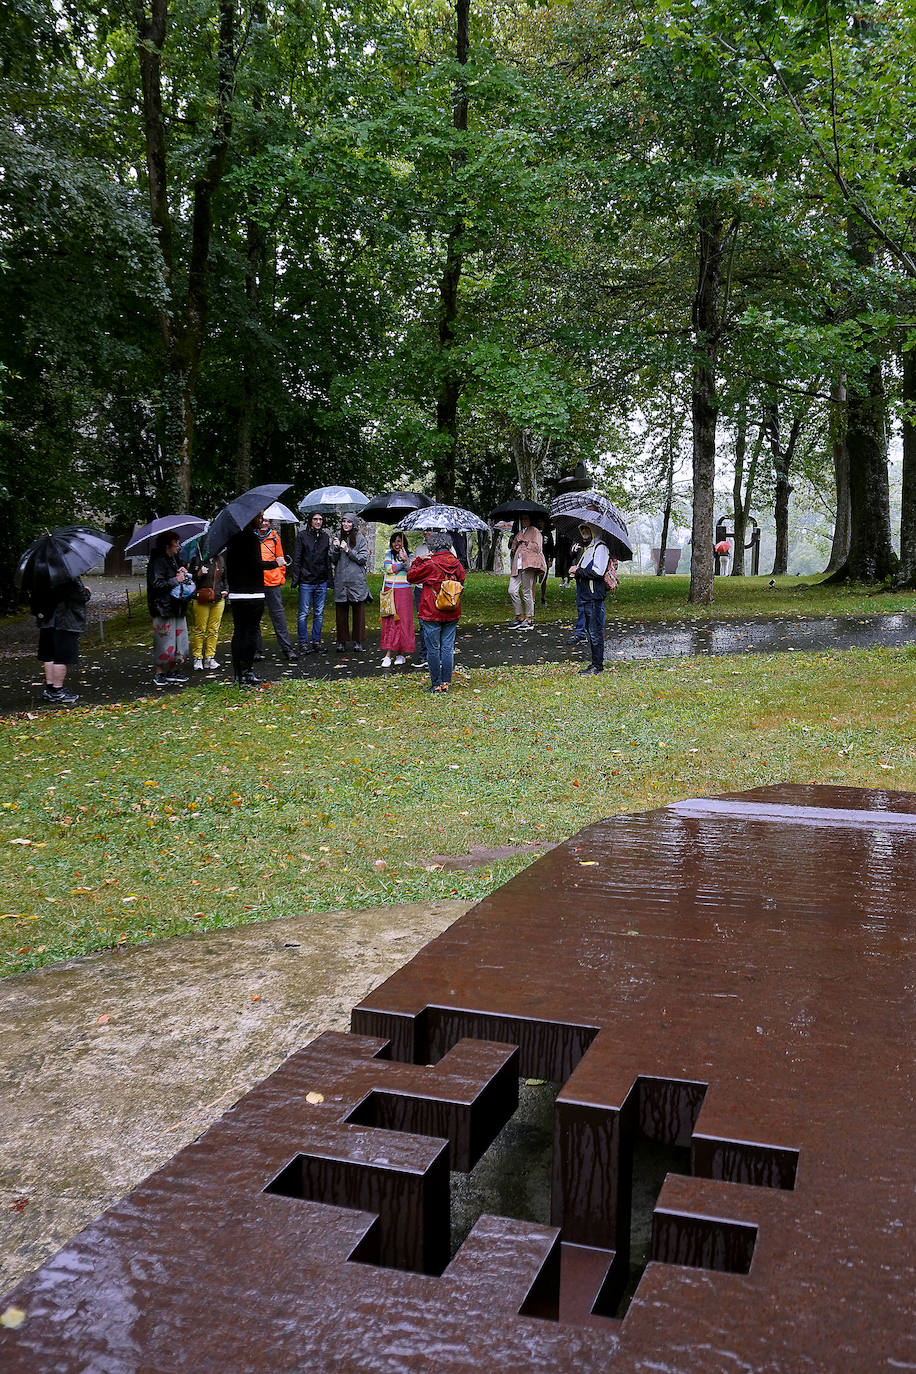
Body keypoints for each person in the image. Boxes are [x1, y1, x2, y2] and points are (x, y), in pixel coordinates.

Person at [407, 530, 466, 691]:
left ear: (433, 547)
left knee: (433, 648)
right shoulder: (457, 564)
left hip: (431, 611)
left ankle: (436, 684)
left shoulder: (430, 563)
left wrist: (418, 560)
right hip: (452, 609)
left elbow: (411, 577)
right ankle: (446, 682)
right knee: (447, 647)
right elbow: (462, 579)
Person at [32, 576, 91, 705]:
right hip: (65, 620)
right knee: (61, 657)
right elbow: (80, 596)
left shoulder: (40, 571)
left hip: (46, 619)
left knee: (49, 655)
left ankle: (50, 689)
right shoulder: (66, 572)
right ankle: (58, 690)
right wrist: (87, 591)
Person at [146, 531, 192, 688]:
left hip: (177, 606)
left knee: (179, 641)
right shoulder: (157, 561)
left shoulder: (174, 559)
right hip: (163, 608)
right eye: (176, 542)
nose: (178, 545)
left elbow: (178, 578)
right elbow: (156, 584)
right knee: (164, 641)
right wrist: (175, 579)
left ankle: (172, 670)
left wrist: (183, 573)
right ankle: (159, 672)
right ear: (167, 544)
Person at [224, 514, 266, 685]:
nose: (262, 520)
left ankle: (238, 674)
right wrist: (276, 563)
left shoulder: (231, 539)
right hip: (252, 592)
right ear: (250, 519)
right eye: (260, 517)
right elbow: (256, 565)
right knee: (251, 632)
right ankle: (247, 671)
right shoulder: (251, 539)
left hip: (236, 593)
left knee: (239, 632)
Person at [570, 522, 616, 675]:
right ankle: (595, 664)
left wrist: (578, 571)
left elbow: (597, 572)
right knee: (592, 632)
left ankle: (598, 666)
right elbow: (583, 570)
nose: (583, 530)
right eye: (581, 527)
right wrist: (576, 571)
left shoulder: (600, 548)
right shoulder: (588, 548)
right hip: (586, 596)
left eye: (587, 527)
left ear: (595, 529)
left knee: (595, 632)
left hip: (594, 597)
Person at [254, 516, 294, 662]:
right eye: (262, 520)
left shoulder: (275, 537)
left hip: (273, 582)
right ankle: (256, 651)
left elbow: (281, 559)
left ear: (270, 523)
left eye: (267, 521)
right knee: (255, 618)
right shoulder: (252, 538)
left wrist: (280, 576)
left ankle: (287, 649)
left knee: (278, 617)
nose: (264, 523)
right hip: (257, 583)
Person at [291, 512, 331, 654]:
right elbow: (297, 558)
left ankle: (316, 641)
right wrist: (296, 578)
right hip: (306, 580)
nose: (318, 521)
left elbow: (327, 559)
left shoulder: (325, 537)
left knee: (319, 613)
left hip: (321, 580)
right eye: (315, 519)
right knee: (303, 613)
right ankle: (303, 643)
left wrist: (329, 579)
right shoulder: (302, 536)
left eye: (320, 519)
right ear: (310, 521)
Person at [330, 515, 370, 652]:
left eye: (349, 522)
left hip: (356, 581)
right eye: (344, 521)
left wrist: (348, 550)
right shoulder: (337, 537)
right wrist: (335, 548)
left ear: (354, 524)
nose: (345, 524)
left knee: (358, 612)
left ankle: (358, 641)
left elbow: (363, 559)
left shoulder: (360, 539)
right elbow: (333, 559)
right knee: (341, 612)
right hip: (341, 580)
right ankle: (341, 641)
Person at [380, 531, 416, 667]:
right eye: (394, 541)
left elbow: (412, 570)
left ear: (403, 542)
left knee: (403, 621)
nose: (397, 544)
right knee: (390, 621)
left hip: (405, 592)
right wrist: (401, 564)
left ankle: (401, 653)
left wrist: (406, 560)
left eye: (399, 541)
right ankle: (388, 654)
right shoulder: (388, 554)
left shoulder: (410, 555)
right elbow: (388, 568)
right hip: (391, 591)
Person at [188, 547, 226, 671]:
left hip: (218, 599)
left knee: (214, 629)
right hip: (201, 599)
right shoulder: (197, 559)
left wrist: (226, 590)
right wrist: (198, 574)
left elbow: (225, 577)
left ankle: (210, 657)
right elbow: (190, 579)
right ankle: (197, 658)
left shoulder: (220, 559)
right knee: (200, 629)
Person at [507, 513, 547, 629]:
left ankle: (528, 619)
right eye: (522, 519)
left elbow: (538, 548)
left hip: (528, 564)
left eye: (526, 519)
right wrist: (514, 542)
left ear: (530, 520)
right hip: (517, 565)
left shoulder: (535, 531)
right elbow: (513, 548)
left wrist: (526, 542)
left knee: (526, 592)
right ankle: (519, 617)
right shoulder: (520, 532)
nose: (524, 521)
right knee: (512, 590)